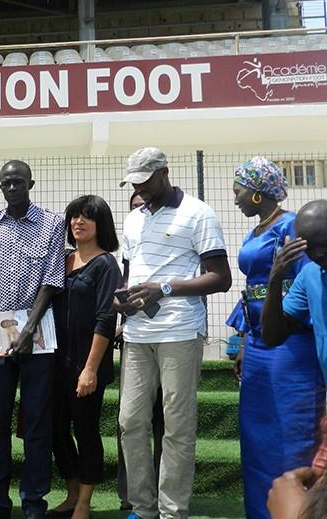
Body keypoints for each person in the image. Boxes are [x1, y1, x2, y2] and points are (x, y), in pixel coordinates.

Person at [115, 147, 231, 519]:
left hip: (180, 331)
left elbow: (220, 278)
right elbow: (128, 273)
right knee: (130, 421)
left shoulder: (198, 213)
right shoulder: (133, 218)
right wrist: (122, 302)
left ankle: (171, 511)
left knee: (177, 425)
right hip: (136, 333)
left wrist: (163, 289)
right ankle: (143, 507)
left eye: (145, 181)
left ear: (165, 172)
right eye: (134, 183)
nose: (140, 189)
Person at [225, 157, 323, 519]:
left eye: (238, 191)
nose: (234, 198)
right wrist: (244, 343)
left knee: (289, 433)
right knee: (256, 439)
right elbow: (251, 290)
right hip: (258, 346)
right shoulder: (256, 230)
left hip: (290, 345)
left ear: (256, 193)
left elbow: (304, 281)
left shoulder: (292, 226)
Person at [0, 160, 65, 519]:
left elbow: (52, 281)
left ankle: (33, 501)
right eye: (6, 183)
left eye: (18, 182)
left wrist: (28, 331)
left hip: (38, 337)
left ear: (31, 183)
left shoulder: (52, 224)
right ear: (0, 186)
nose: (12, 188)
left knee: (38, 421)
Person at [49, 195, 121, 519]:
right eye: (74, 217)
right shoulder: (62, 259)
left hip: (86, 365)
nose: (78, 222)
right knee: (55, 429)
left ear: (100, 224)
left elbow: (106, 319)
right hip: (55, 362)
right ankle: (71, 492)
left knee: (86, 430)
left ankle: (84, 505)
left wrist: (89, 369)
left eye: (86, 217)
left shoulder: (106, 264)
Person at [114, 192, 163, 513]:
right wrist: (121, 318)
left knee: (165, 425)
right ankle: (131, 496)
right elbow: (123, 291)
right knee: (130, 422)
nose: (141, 211)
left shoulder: (175, 249)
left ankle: (162, 496)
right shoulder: (130, 250)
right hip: (135, 340)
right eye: (135, 207)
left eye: (145, 205)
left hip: (173, 341)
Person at [262, 199, 327, 375]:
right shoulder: (309, 275)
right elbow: (273, 336)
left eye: (323, 244)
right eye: (309, 247)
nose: (317, 254)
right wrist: (275, 280)